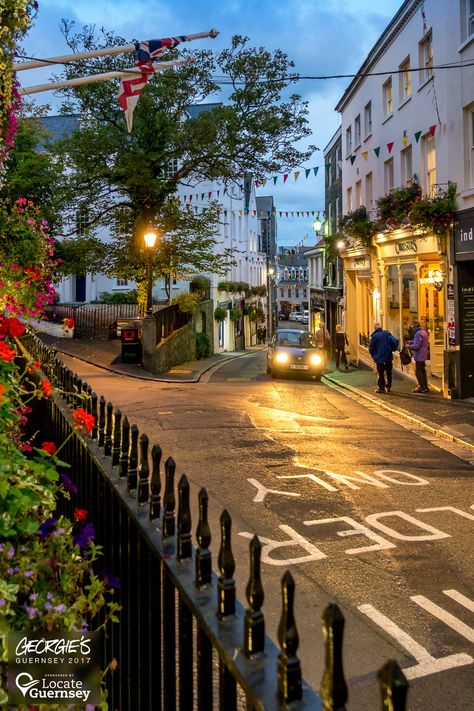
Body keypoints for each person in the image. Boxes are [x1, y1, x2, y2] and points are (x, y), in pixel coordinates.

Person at [369, 322, 394, 393]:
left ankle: (381, 387)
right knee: (389, 372)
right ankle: (388, 386)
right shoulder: (387, 333)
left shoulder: (374, 336)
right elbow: (392, 343)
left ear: (375, 328)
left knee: (381, 373)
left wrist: (374, 356)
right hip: (388, 356)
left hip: (380, 358)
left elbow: (371, 348)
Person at [407, 319, 429, 393]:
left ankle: (422, 387)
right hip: (423, 354)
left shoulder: (418, 333)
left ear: (414, 326)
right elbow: (418, 342)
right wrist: (411, 342)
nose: (412, 328)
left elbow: (416, 346)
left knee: (419, 372)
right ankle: (425, 386)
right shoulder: (423, 332)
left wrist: (408, 346)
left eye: (412, 326)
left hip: (419, 355)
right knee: (422, 371)